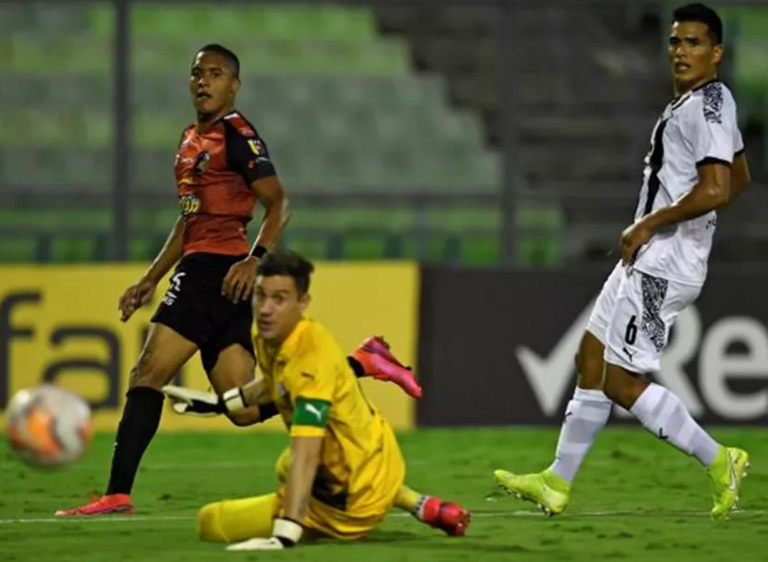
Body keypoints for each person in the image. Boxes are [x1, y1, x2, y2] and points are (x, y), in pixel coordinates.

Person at [56, 44, 420, 517]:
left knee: (147, 375)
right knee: (241, 407)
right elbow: (190, 221)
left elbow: (280, 203)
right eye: (196, 74)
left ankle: (117, 493)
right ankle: (360, 363)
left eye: (215, 73)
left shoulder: (238, 136)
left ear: (234, 85)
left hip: (215, 273)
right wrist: (149, 278)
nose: (203, 82)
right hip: (221, 279)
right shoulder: (189, 139)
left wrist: (255, 259)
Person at [494, 3, 752, 523]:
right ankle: (556, 482)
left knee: (620, 381)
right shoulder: (703, 104)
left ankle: (720, 459)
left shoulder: (705, 107)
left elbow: (719, 188)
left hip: (662, 264)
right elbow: (738, 177)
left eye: (694, 43)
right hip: (648, 257)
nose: (681, 51)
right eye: (676, 42)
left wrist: (652, 223)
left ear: (716, 52)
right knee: (590, 359)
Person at [162, 251, 471, 550]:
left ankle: (351, 510)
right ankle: (419, 504)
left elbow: (306, 455)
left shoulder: (310, 368)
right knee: (285, 465)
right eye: (261, 296)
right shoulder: (280, 333)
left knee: (211, 522)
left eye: (279, 299)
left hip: (351, 503)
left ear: (303, 302)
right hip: (379, 456)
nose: (266, 308)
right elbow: (274, 383)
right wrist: (218, 404)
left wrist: (285, 532)